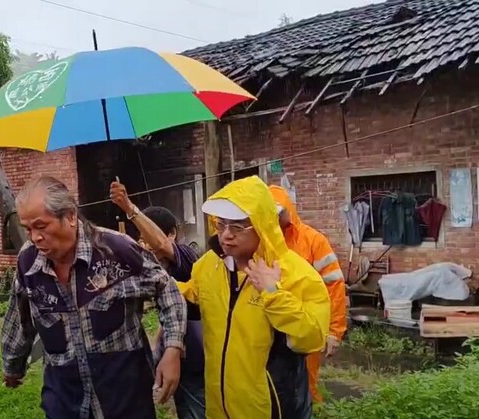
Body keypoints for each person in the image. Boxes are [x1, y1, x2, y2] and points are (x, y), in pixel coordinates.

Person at [1, 176, 187, 419]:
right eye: (28, 229)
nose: (34, 237)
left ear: (69, 216)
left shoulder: (116, 251)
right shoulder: (28, 262)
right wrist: (12, 365)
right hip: (65, 399)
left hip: (125, 396)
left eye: (41, 226)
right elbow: (20, 314)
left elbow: (167, 290)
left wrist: (172, 349)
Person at [177, 176, 330, 419]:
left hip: (271, 408)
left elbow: (311, 338)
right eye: (221, 225)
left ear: (262, 225)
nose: (226, 235)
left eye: (237, 227)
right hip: (219, 406)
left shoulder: (296, 275)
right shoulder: (209, 265)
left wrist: (273, 294)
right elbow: (193, 292)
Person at [109, 180, 205, 419]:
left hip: (199, 355)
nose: (144, 244)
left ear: (172, 233)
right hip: (178, 355)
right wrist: (158, 345)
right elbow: (169, 311)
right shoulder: (150, 270)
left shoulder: (186, 256)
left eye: (146, 237)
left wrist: (129, 207)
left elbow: (161, 243)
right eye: (140, 239)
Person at [269, 185, 348, 404]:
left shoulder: (313, 241)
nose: (276, 220)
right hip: (269, 328)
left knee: (305, 385)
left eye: (279, 214)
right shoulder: (262, 242)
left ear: (289, 211)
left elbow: (334, 285)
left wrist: (334, 331)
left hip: (306, 327)